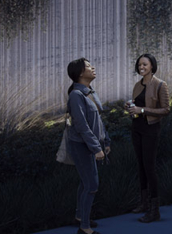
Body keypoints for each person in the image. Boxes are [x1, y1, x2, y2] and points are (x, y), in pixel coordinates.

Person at [65, 57, 111, 234]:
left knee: (86, 183)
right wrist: (96, 148)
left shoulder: (90, 92)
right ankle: (84, 228)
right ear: (80, 73)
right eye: (89, 66)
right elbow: (82, 125)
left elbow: (98, 119)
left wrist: (105, 141)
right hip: (81, 146)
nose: (93, 68)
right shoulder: (76, 96)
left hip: (91, 145)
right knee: (92, 185)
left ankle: (79, 216)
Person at [127, 53, 171, 223]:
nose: (141, 67)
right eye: (139, 65)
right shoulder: (138, 85)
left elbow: (166, 109)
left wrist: (143, 110)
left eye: (144, 64)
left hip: (151, 129)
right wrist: (131, 107)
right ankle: (144, 203)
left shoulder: (160, 85)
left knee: (149, 167)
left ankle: (155, 210)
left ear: (152, 65)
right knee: (141, 166)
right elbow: (136, 105)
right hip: (136, 128)